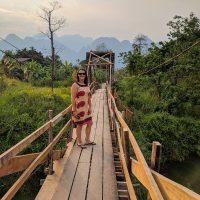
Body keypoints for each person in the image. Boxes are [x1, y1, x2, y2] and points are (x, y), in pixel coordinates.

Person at [71, 68, 96, 148]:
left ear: (85, 75)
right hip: (79, 109)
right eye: (80, 74)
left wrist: (90, 107)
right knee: (80, 125)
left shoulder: (86, 85)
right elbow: (72, 98)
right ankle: (79, 141)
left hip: (86, 108)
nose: (82, 75)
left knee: (90, 123)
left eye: (83, 74)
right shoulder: (75, 85)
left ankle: (87, 140)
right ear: (77, 75)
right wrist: (74, 110)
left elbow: (88, 97)